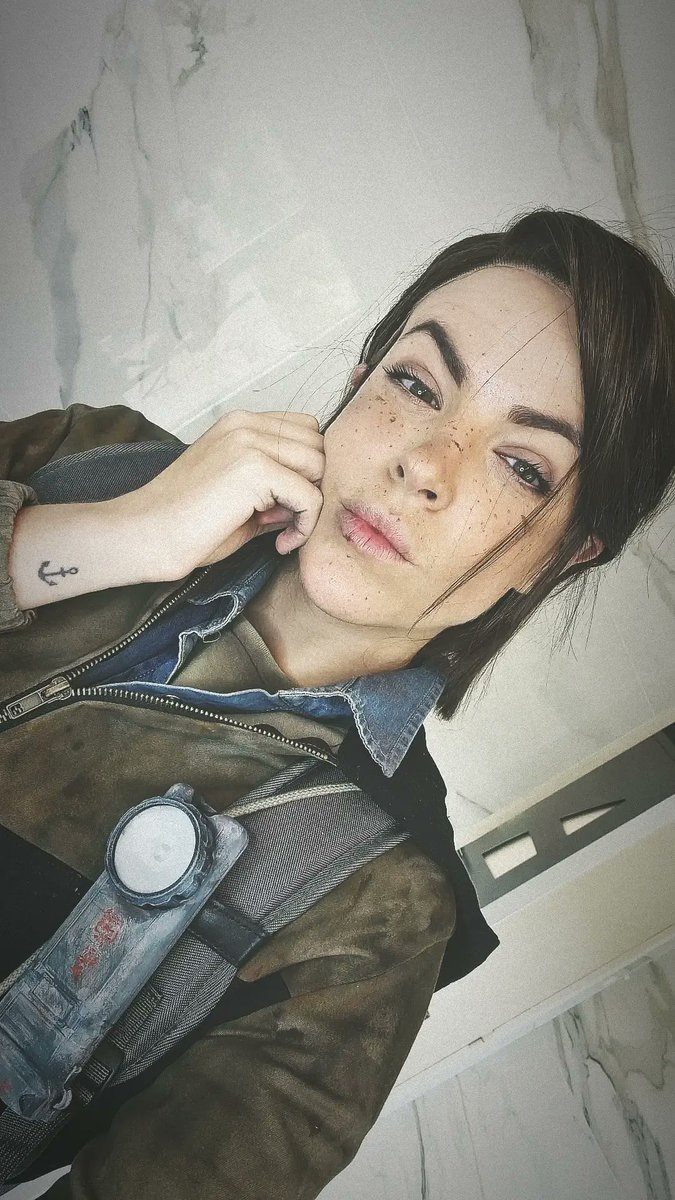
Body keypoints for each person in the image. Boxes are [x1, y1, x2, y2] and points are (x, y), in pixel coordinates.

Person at [0, 208, 673, 1198]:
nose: (426, 464)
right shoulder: (89, 463)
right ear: (359, 382)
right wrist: (121, 536)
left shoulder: (378, 908)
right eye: (416, 384)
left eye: (521, 464)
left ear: (565, 556)